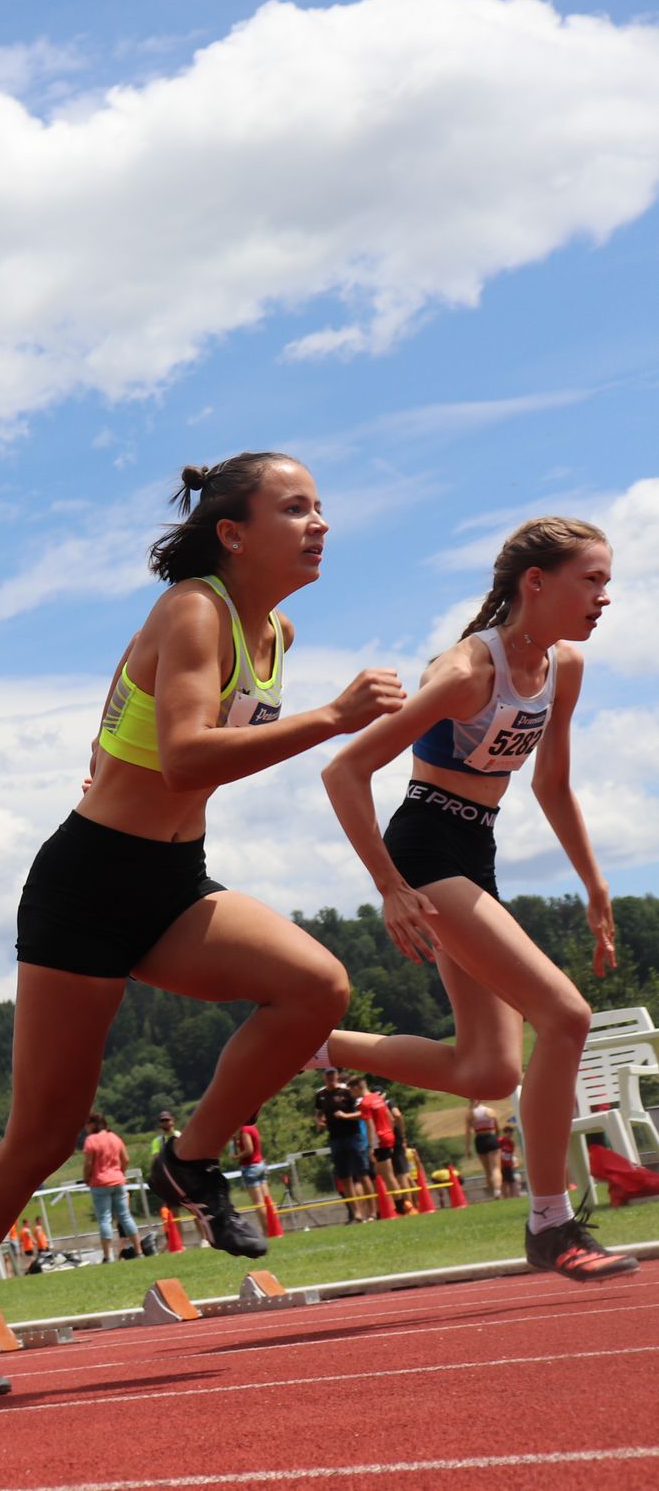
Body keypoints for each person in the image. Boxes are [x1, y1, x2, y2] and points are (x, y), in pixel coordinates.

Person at [0, 453, 397, 1402]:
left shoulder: (274, 629)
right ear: (233, 532)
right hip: (87, 886)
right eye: (296, 508)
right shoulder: (194, 609)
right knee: (43, 1131)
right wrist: (333, 718)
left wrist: (101, 748)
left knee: (317, 988)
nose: (321, 523)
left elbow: (128, 732)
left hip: (172, 881)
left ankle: (188, 1160)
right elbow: (181, 756)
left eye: (322, 506)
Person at [319, 517, 634, 1280]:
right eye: (590, 580)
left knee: (489, 1073)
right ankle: (551, 1224)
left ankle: (314, 1047)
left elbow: (551, 783)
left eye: (607, 581)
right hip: (425, 852)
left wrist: (593, 884)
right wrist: (389, 887)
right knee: (565, 1016)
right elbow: (345, 771)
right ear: (537, 582)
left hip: (476, 852)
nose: (605, 597)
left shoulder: (566, 667)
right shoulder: (466, 673)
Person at [317, 1067, 377, 1220]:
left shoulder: (347, 1092)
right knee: (345, 1177)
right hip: (335, 1138)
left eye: (333, 1074)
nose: (330, 1077)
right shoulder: (320, 1094)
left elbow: (362, 1114)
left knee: (362, 1174)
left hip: (353, 1136)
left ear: (337, 1075)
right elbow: (318, 1112)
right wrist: (320, 1121)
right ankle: (356, 1213)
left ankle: (372, 1212)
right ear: (323, 1076)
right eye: (327, 1075)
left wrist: (345, 1116)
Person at [81, 1114, 140, 1262]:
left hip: (99, 1183)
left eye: (87, 1124)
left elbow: (88, 1164)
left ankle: (108, 1256)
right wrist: (121, 1173)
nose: (85, 1128)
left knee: (105, 1219)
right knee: (125, 1217)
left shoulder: (91, 1140)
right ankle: (139, 1251)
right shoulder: (114, 1137)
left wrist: (87, 1178)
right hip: (118, 1181)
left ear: (94, 1124)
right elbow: (126, 1159)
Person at [352, 1077, 400, 1211]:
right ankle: (393, 1206)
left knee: (388, 1176)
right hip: (388, 1136)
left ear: (357, 1088)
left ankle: (401, 1207)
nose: (352, 1094)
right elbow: (391, 1118)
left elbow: (369, 1126)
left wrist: (371, 1147)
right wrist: (388, 1132)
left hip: (379, 1139)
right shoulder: (378, 1098)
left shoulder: (365, 1103)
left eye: (352, 1090)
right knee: (380, 1173)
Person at [466, 1100, 506, 1199]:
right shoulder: (490, 1111)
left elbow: (468, 1133)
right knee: (495, 1168)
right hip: (491, 1137)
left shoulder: (470, 1114)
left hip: (479, 1139)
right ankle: (497, 1191)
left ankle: (492, 1192)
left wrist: (467, 1148)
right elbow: (497, 1129)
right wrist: (496, 1139)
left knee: (487, 1169)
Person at [236, 1112, 270, 1209]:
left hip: (250, 1167)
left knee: (259, 1202)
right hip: (260, 1164)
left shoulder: (245, 1129)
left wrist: (237, 1157)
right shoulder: (253, 1127)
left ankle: (265, 1224)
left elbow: (249, 1150)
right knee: (267, 1200)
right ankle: (274, 1223)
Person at [500, 1120, 523, 1199]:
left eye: (511, 1133)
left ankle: (513, 1196)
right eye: (508, 1133)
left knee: (511, 1181)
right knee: (504, 1182)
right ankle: (506, 1197)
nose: (510, 1135)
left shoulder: (511, 1143)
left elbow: (511, 1154)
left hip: (508, 1165)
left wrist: (512, 1163)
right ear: (505, 1133)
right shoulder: (500, 1141)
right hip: (501, 1165)